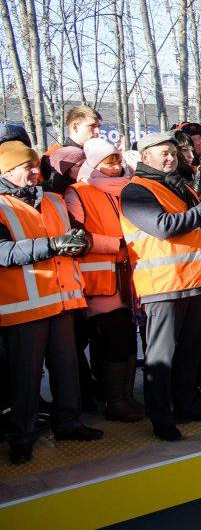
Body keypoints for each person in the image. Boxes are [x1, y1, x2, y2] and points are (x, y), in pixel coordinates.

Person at [0, 139, 103, 464]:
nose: (35, 171)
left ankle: (69, 423)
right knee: (26, 377)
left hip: (61, 300)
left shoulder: (55, 200)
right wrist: (54, 245)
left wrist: (80, 243)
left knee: (66, 368)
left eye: (35, 165)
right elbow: (3, 253)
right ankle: (21, 437)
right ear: (6, 171)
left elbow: (78, 234)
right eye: (26, 167)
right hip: (25, 307)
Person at [119, 130, 201, 441]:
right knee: (161, 358)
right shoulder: (136, 190)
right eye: (163, 153)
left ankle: (187, 406)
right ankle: (161, 418)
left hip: (195, 281)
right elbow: (164, 227)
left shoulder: (181, 187)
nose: (171, 158)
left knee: (190, 353)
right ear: (145, 158)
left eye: (173, 152)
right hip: (163, 286)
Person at [65, 138, 143, 422]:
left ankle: (126, 396)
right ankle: (114, 401)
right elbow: (76, 235)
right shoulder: (79, 192)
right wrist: (117, 243)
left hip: (130, 277)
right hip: (100, 281)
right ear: (94, 164)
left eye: (117, 161)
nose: (115, 167)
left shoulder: (130, 189)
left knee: (129, 340)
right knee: (116, 338)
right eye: (108, 163)